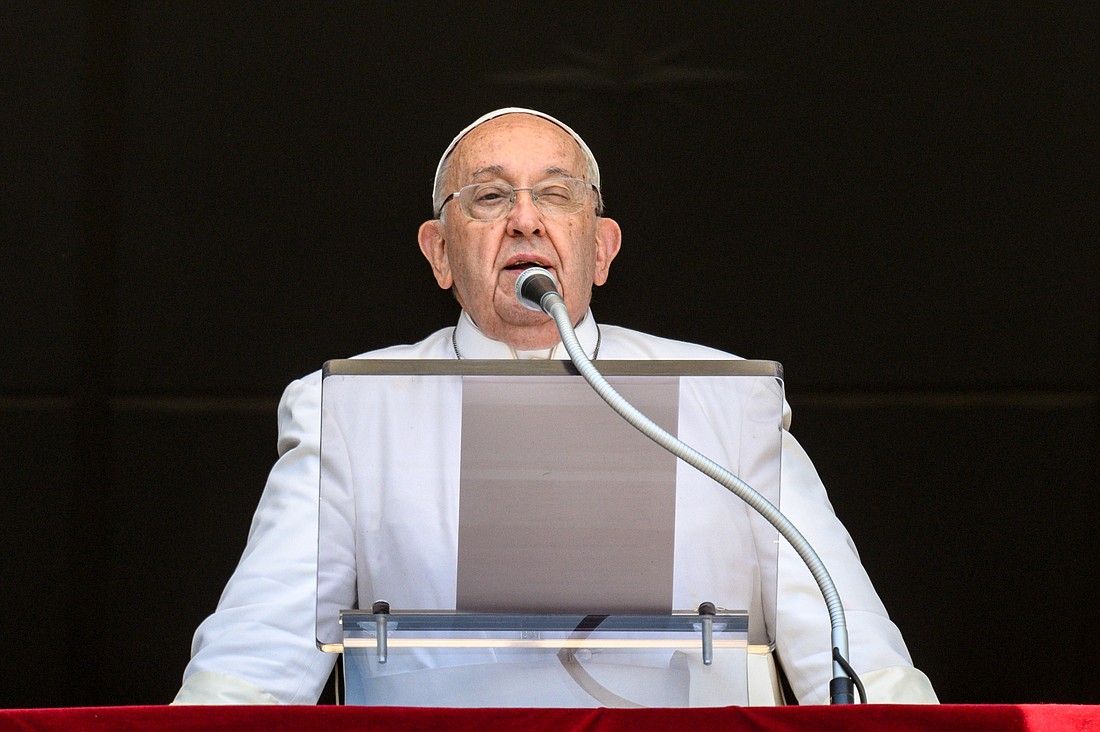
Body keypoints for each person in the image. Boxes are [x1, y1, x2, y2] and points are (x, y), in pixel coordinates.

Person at [174, 108, 938, 706]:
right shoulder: (352, 409)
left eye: (555, 195)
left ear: (600, 247)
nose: (526, 219)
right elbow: (255, 657)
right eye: (491, 196)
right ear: (439, 251)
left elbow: (847, 643)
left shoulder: (722, 396)